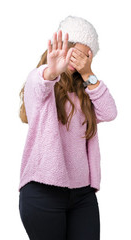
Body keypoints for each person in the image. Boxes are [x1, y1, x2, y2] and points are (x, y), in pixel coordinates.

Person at [19, 16, 117, 240]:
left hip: (82, 194)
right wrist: (52, 71)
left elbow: (109, 113)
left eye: (84, 55)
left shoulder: (85, 91)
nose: (77, 59)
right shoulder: (41, 81)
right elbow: (39, 83)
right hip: (43, 191)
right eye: (74, 51)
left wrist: (87, 74)